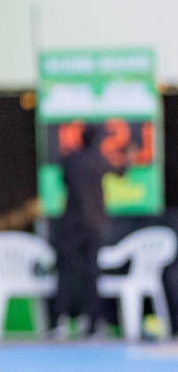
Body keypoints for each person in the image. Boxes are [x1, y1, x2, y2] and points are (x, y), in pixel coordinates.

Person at [51, 123, 130, 337]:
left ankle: (60, 321)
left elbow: (65, 180)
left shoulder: (71, 159)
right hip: (93, 225)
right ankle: (93, 322)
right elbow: (121, 172)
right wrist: (127, 155)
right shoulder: (98, 159)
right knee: (91, 273)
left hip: (70, 226)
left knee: (66, 273)